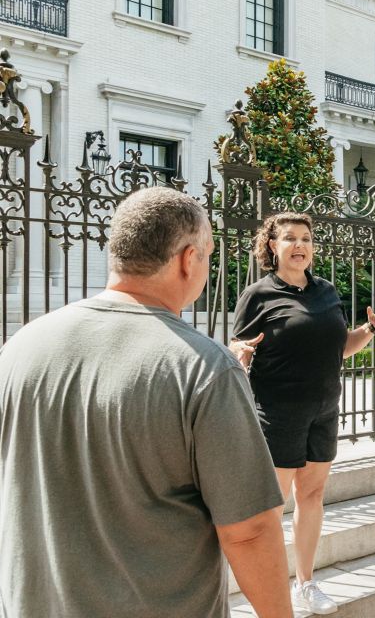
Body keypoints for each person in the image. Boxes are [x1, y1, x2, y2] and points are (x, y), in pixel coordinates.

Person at [0, 188, 291, 617]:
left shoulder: (20, 345)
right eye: (208, 256)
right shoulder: (203, 366)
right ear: (187, 259)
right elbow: (248, 530)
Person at [230, 212, 375, 615]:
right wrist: (241, 354)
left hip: (324, 408)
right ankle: (268, 589)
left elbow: (340, 348)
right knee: (273, 505)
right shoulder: (259, 294)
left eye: (306, 238)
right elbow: (238, 349)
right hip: (278, 411)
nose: (299, 245)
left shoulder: (326, 292)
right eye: (289, 239)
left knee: (312, 495)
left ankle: (306, 583)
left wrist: (368, 331)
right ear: (273, 246)